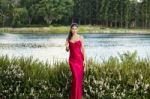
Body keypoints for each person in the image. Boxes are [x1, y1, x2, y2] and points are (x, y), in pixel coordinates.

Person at [65, 23, 86, 99]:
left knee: (78, 79)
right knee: (76, 78)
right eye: (73, 28)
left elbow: (83, 50)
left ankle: (77, 97)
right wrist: (67, 47)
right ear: (71, 29)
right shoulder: (68, 38)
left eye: (75, 28)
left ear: (78, 29)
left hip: (80, 60)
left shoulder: (81, 37)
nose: (74, 30)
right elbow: (67, 50)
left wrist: (85, 61)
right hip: (72, 61)